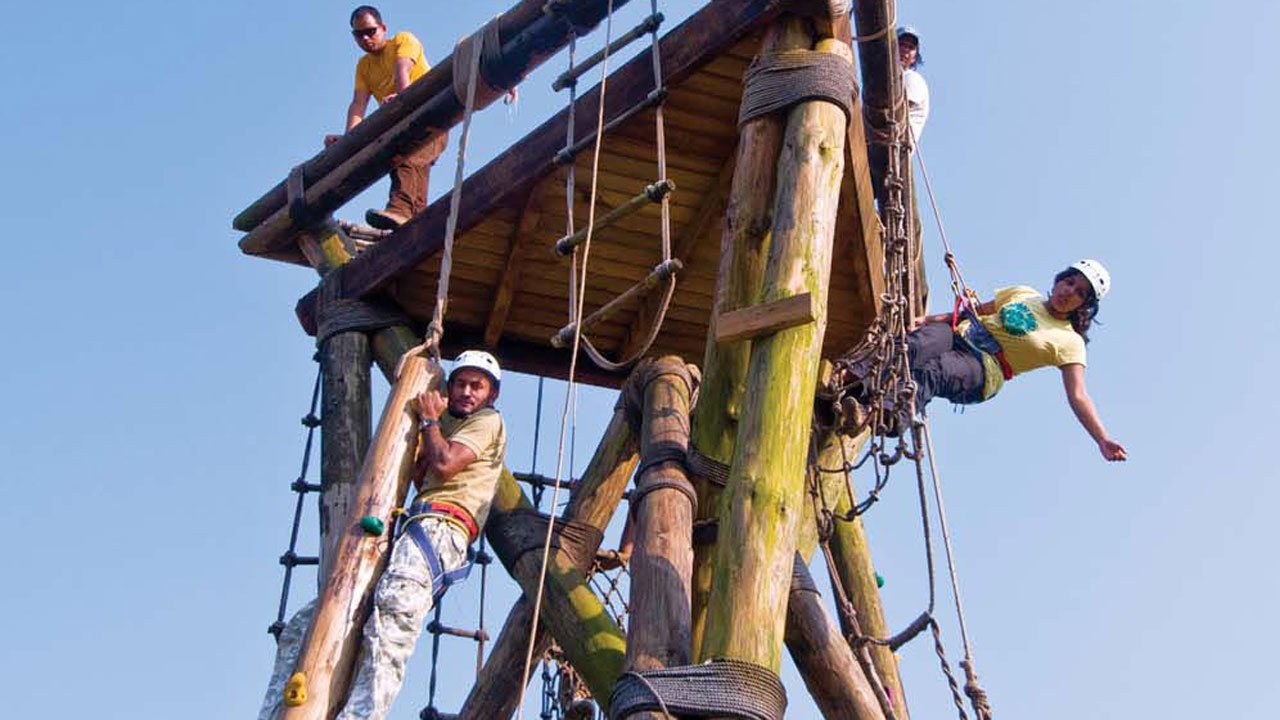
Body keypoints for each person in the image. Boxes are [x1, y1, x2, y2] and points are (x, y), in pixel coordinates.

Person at [258, 350, 508, 720]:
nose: (467, 392)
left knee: (393, 615)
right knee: (303, 627)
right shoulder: (448, 424)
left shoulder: (487, 422)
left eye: (477, 386)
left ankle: (361, 716)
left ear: (491, 395)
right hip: (411, 527)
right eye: (460, 383)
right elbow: (423, 470)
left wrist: (427, 421)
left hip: (443, 528)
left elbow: (445, 463)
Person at [847, 260, 1128, 463]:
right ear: (1059, 280)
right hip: (961, 334)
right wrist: (932, 320)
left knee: (935, 372)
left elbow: (1078, 396)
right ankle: (851, 380)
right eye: (1070, 282)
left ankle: (883, 414)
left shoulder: (1070, 342)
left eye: (1080, 293)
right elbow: (977, 312)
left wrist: (1101, 438)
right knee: (917, 344)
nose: (1069, 292)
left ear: (1084, 306)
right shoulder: (1023, 294)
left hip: (985, 367)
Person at [325, 6, 447, 230]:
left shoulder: (403, 40)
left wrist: (402, 98)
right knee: (414, 172)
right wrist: (347, 141)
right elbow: (358, 104)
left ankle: (400, 209)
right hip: (404, 125)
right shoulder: (364, 66)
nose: (365, 38)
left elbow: (403, 71)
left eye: (370, 31)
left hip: (433, 116)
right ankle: (419, 226)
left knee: (407, 155)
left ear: (383, 28)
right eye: (358, 34)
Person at [897, 26, 929, 146]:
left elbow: (897, 108)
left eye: (910, 48)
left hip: (898, 147)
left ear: (914, 57)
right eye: (902, 44)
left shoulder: (912, 78)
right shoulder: (894, 80)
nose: (905, 50)